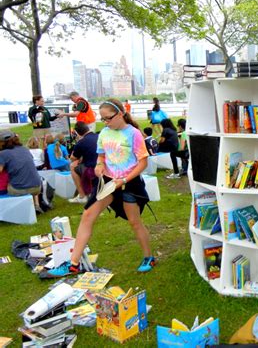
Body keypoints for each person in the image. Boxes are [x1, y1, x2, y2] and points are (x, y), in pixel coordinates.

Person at [47, 98, 154, 277]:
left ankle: (148, 256)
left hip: (129, 184)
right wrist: (98, 166)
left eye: (108, 118)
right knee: (88, 215)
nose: (105, 122)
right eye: (102, 119)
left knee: (135, 222)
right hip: (107, 183)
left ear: (121, 114)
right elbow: (101, 157)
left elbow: (142, 163)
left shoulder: (133, 133)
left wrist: (125, 180)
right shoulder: (104, 133)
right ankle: (73, 263)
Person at [0, 130, 43, 213]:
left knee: (5, 182)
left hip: (19, 189)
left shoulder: (3, 154)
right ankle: (36, 205)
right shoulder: (25, 149)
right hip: (37, 187)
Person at [68, 122, 99, 204]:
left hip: (92, 168)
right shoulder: (98, 136)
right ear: (87, 128)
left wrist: (78, 141)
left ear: (78, 133)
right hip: (104, 166)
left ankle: (82, 196)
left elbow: (72, 158)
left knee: (72, 166)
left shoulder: (81, 142)